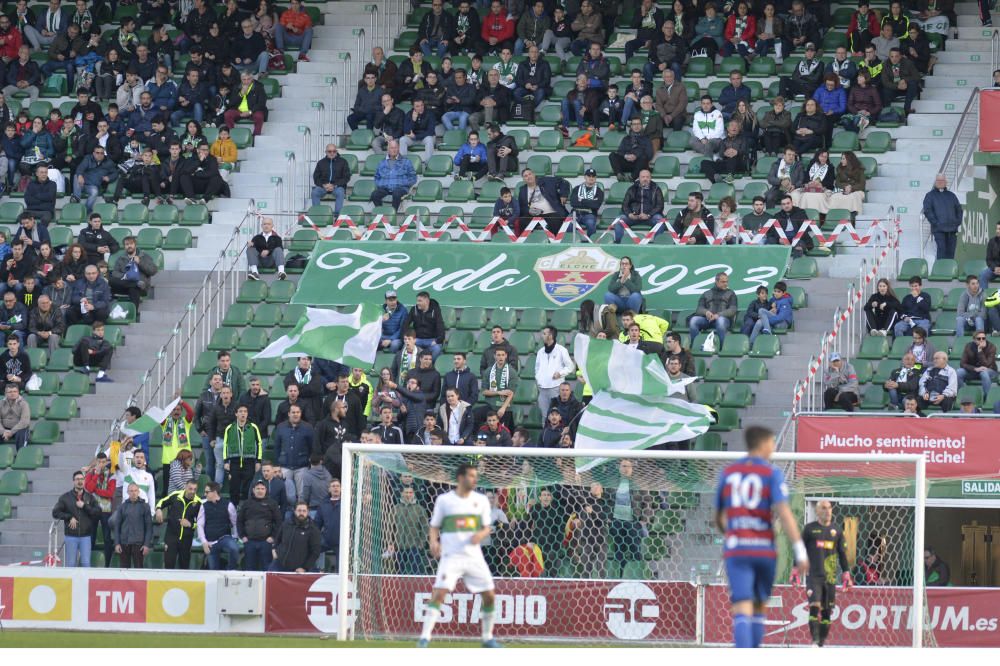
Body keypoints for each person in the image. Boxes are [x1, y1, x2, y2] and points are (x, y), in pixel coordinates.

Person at [714, 425, 808, 648]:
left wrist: (734, 533)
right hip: (764, 550)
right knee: (758, 608)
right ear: (764, 443)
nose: (773, 448)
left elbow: (719, 517)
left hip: (738, 550)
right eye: (772, 443)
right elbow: (784, 513)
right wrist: (800, 552)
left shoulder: (728, 473)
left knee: (742, 608)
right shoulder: (771, 473)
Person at [418, 463, 498, 647]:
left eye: (475, 476)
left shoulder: (481, 500)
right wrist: (433, 541)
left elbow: (487, 527)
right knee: (439, 594)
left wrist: (481, 533)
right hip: (451, 556)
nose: (475, 479)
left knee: (490, 595)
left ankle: (487, 638)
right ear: (460, 478)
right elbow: (434, 525)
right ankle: (424, 638)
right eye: (471, 475)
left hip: (473, 557)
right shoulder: (445, 500)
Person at [793, 500, 852, 647]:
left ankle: (820, 643)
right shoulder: (809, 529)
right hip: (813, 576)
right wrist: (795, 569)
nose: (828, 511)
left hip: (830, 578)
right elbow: (800, 550)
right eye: (824, 508)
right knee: (815, 605)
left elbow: (842, 555)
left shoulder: (837, 531)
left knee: (826, 613)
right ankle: (814, 641)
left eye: (830, 508)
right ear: (817, 511)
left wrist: (846, 573)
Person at [52, 469, 101, 567]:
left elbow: (98, 512)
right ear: (73, 481)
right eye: (77, 479)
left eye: (82, 479)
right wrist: (69, 517)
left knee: (86, 564)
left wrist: (84, 506)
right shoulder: (65, 497)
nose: (80, 481)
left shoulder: (90, 497)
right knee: (70, 564)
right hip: (71, 536)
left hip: (86, 536)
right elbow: (55, 512)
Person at [154, 479, 201, 570]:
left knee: (184, 567)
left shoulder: (199, 503)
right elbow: (162, 501)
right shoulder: (176, 495)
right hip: (171, 536)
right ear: (185, 487)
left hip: (187, 539)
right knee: (169, 565)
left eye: (195, 489)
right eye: (190, 488)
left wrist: (190, 524)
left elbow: (201, 523)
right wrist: (158, 509)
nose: (192, 491)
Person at [222, 403, 263, 506]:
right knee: (234, 488)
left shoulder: (253, 427)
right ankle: (234, 510)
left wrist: (258, 461)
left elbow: (259, 444)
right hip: (234, 463)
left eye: (245, 411)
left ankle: (246, 509)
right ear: (236, 414)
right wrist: (226, 461)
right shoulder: (230, 428)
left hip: (249, 462)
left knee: (248, 488)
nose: (243, 414)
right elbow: (225, 445)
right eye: (240, 411)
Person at [237, 479, 281, 571]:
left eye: (262, 488)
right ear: (253, 490)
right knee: (249, 567)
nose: (260, 491)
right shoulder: (246, 503)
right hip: (249, 542)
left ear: (266, 490)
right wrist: (242, 536)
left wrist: (273, 537)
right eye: (258, 488)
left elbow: (278, 522)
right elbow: (239, 521)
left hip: (266, 542)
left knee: (266, 567)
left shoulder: (272, 503)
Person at [197, 481, 240, 570]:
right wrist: (204, 542)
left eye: (207, 492)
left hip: (225, 538)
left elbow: (235, 522)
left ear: (214, 492)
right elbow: (200, 525)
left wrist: (235, 536)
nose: (205, 494)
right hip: (210, 542)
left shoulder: (228, 505)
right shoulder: (203, 506)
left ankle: (231, 570)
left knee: (234, 548)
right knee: (213, 569)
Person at [269, 501, 322, 572]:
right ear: (294, 511)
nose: (301, 513)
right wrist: (274, 549)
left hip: (298, 568)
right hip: (279, 563)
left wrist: (305, 568)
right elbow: (277, 539)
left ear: (308, 512)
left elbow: (315, 552)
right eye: (299, 510)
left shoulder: (313, 529)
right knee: (269, 579)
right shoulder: (286, 524)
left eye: (304, 511)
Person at [615, 169, 664, 244]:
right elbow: (625, 205)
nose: (645, 179)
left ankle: (658, 245)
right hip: (634, 217)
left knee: (660, 220)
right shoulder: (632, 188)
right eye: (643, 177)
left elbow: (660, 206)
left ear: (650, 178)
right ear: (639, 178)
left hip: (650, 217)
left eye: (647, 177)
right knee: (619, 220)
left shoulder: (656, 189)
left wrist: (648, 215)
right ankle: (619, 245)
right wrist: (629, 214)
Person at [83, 453, 115, 567]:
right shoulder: (90, 473)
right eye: (99, 462)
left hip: (106, 510)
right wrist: (96, 475)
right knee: (91, 537)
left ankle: (107, 564)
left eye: (104, 462)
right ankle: (88, 562)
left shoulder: (111, 473)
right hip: (93, 509)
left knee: (107, 538)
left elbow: (110, 493)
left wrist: (96, 491)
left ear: (107, 462)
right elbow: (88, 488)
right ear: (96, 462)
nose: (101, 464)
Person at [109, 235, 157, 311]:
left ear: (135, 244)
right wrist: (125, 276)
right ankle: (110, 311)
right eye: (127, 244)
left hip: (140, 287)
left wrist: (140, 262)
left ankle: (133, 313)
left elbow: (153, 271)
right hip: (125, 284)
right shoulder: (121, 258)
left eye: (131, 244)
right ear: (124, 246)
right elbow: (115, 272)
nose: (129, 246)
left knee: (134, 289)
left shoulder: (144, 256)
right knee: (110, 280)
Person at [534, 326, 574, 418]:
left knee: (557, 416)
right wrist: (538, 379)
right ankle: (546, 433)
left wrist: (560, 373)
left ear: (550, 336)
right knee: (545, 417)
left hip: (555, 388)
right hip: (542, 389)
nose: (542, 336)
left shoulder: (561, 350)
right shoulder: (540, 351)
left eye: (544, 334)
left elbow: (570, 366)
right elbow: (537, 368)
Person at [112, 482, 153, 568]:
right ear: (127, 492)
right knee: (123, 571)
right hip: (124, 543)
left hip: (139, 545)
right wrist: (117, 543)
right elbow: (117, 527)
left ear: (138, 492)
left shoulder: (145, 506)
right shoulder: (122, 507)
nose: (133, 493)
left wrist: (146, 544)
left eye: (135, 490)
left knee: (138, 571)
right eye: (131, 491)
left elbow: (149, 528)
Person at [689, 272, 737, 346]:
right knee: (693, 320)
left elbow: (733, 310)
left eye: (727, 282)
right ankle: (695, 345)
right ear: (716, 281)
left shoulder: (731, 293)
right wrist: (706, 312)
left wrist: (718, 315)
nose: (726, 284)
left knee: (720, 321)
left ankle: (721, 347)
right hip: (707, 320)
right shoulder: (706, 293)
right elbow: (699, 309)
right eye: (723, 282)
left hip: (723, 320)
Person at [517, 168, 569, 235]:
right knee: (522, 221)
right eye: (525, 176)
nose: (528, 177)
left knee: (555, 221)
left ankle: (554, 243)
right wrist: (528, 210)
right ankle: (527, 243)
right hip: (533, 215)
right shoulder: (522, 190)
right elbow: (522, 207)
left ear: (534, 175)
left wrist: (563, 194)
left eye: (530, 174)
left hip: (551, 212)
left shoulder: (546, 181)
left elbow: (563, 182)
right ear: (523, 179)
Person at [923, 174, 963, 261]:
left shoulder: (951, 196)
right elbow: (927, 210)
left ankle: (949, 272)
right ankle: (941, 272)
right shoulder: (930, 195)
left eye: (942, 180)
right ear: (935, 182)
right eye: (938, 180)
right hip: (939, 230)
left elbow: (959, 210)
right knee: (941, 252)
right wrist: (936, 223)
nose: (940, 182)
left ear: (946, 182)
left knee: (951, 254)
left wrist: (957, 222)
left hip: (952, 230)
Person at [701, 119, 753, 184]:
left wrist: (736, 152)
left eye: (736, 126)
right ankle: (715, 178)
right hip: (727, 163)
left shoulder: (743, 139)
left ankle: (730, 177)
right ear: (728, 129)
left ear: (739, 129)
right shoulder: (724, 141)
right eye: (732, 126)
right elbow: (721, 154)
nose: (734, 127)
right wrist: (725, 153)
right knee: (704, 163)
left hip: (740, 163)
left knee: (732, 157)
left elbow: (745, 150)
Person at [371, 140, 416, 212]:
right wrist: (381, 184)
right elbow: (377, 177)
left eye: (395, 148)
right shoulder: (382, 162)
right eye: (392, 148)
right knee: (374, 195)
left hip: (400, 188)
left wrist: (403, 183)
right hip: (385, 188)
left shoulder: (406, 161)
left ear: (398, 148)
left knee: (396, 193)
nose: (394, 150)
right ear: (388, 149)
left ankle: (393, 214)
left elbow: (413, 177)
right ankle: (381, 214)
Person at [480, 349, 517, 432]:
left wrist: (503, 408)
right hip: (491, 406)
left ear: (506, 356)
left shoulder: (511, 372)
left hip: (505, 408)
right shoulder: (488, 371)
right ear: (494, 356)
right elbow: (484, 391)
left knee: (502, 432)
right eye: (498, 355)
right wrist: (498, 392)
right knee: (474, 414)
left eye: (502, 355)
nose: (500, 357)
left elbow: (511, 393)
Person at [403, 292, 446, 361]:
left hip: (431, 340)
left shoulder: (435, 310)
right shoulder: (414, 309)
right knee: (405, 346)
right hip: (417, 339)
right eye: (417, 301)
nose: (417, 303)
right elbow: (405, 324)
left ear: (427, 301)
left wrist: (437, 340)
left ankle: (429, 366)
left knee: (437, 348)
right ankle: (416, 366)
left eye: (420, 301)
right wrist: (408, 338)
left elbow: (440, 326)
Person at [223, 70, 267, 136]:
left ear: (252, 79)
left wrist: (250, 112)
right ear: (241, 79)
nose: (246, 81)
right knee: (227, 114)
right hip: (238, 110)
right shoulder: (236, 86)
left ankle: (256, 135)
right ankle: (231, 134)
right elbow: (231, 103)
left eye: (248, 79)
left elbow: (261, 103)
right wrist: (241, 94)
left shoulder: (259, 87)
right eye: (244, 79)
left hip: (252, 110)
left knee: (259, 116)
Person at [610, 116, 653, 182]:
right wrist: (626, 156)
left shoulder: (647, 139)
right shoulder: (626, 139)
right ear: (631, 126)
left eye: (638, 124)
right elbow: (620, 151)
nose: (636, 126)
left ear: (641, 126)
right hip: (626, 162)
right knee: (612, 155)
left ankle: (632, 177)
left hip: (639, 164)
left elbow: (649, 154)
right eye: (634, 124)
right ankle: (619, 175)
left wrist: (636, 156)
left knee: (644, 157)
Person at [880, 47, 920, 116]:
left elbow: (917, 77)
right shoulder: (885, 65)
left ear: (900, 56)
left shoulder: (908, 63)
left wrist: (904, 80)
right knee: (885, 90)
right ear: (889, 56)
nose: (894, 59)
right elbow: (885, 82)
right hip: (894, 89)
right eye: (892, 56)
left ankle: (907, 109)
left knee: (913, 84)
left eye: (896, 56)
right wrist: (897, 86)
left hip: (907, 88)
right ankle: (887, 111)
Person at [958, 331, 998, 399]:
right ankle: (964, 394)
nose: (981, 340)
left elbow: (987, 365)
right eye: (979, 338)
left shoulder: (991, 347)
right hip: (974, 371)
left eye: (983, 338)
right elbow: (962, 363)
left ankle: (987, 397)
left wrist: (980, 351)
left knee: (984, 373)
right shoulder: (968, 346)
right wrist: (975, 369)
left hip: (990, 370)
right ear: (974, 340)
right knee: (958, 372)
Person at [311, 144, 350, 213]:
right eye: (329, 151)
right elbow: (316, 177)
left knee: (340, 192)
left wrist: (334, 185)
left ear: (336, 151)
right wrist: (323, 185)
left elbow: (346, 177)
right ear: (326, 152)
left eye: (334, 151)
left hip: (337, 186)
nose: (332, 153)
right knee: (315, 192)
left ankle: (337, 217)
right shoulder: (321, 162)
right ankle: (316, 215)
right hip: (323, 186)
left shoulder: (343, 162)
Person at [313, 479, 341, 571]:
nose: (335, 488)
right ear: (329, 489)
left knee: (341, 568)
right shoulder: (323, 505)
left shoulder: (348, 503)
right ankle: (314, 572)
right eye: (333, 486)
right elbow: (317, 523)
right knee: (309, 549)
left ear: (341, 489)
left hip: (341, 542)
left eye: (337, 486)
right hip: (326, 539)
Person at [246, 217, 285, 281]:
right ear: (262, 226)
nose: (266, 226)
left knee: (278, 249)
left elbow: (280, 249)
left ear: (272, 226)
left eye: (268, 224)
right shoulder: (256, 237)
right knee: (250, 249)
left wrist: (268, 251)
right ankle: (255, 273)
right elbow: (255, 250)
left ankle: (281, 272)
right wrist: (252, 245)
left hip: (271, 261)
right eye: (264, 224)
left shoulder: (277, 238)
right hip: (259, 261)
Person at [512, 44, 550, 108]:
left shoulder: (545, 64)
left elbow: (547, 80)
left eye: (536, 52)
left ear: (538, 54)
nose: (534, 54)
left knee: (541, 92)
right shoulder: (522, 64)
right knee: (516, 93)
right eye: (532, 52)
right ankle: (527, 107)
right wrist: (525, 85)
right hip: (525, 87)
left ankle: (529, 108)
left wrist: (537, 86)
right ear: (528, 54)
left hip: (538, 88)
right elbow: (518, 79)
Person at [568, 168, 603, 237]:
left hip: (589, 213)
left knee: (591, 223)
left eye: (593, 176)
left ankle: (591, 243)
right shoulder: (577, 188)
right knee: (569, 224)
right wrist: (590, 202)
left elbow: (596, 205)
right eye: (589, 176)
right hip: (576, 213)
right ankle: (570, 243)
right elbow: (573, 203)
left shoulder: (599, 191)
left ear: (596, 178)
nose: (591, 178)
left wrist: (581, 200)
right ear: (585, 177)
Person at [956, 275, 987, 347]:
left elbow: (984, 314)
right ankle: (960, 342)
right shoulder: (964, 295)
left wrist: (972, 316)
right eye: (973, 284)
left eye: (977, 283)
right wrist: (970, 317)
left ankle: (980, 343)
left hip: (980, 322)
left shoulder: (983, 294)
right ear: (967, 285)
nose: (976, 286)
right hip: (968, 321)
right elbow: (960, 313)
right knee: (959, 319)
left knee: (979, 319)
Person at [653, 67, 687, 132]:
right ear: (663, 78)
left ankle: (675, 141)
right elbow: (658, 105)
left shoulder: (681, 87)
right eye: (666, 77)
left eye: (670, 76)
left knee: (677, 121)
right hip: (665, 114)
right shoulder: (659, 89)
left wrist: (671, 116)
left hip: (678, 113)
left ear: (673, 77)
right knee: (655, 121)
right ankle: (659, 141)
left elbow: (682, 104)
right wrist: (664, 116)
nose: (668, 79)